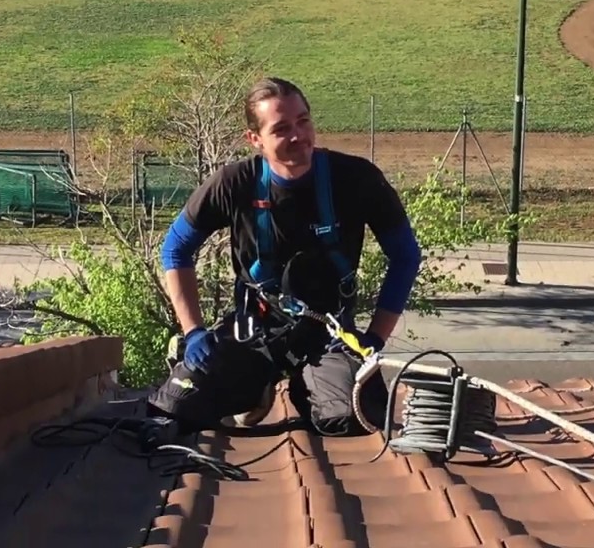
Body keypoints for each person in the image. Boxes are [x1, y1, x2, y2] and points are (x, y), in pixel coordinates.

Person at [145, 77, 423, 437]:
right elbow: (175, 249)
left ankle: (307, 389)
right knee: (172, 409)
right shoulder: (234, 184)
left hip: (328, 335)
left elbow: (406, 256)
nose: (298, 136)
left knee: (351, 417)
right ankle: (253, 389)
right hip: (255, 333)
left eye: (303, 121)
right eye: (281, 129)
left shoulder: (356, 179)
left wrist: (375, 339)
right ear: (255, 139)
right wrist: (194, 331)